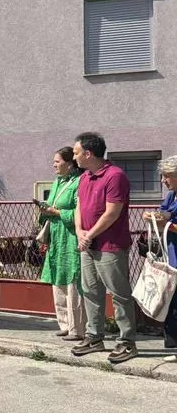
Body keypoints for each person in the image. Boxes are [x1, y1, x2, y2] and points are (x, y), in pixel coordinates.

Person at [70, 132, 138, 364]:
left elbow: (112, 213)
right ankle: (94, 337)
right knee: (91, 292)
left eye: (77, 152)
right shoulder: (84, 178)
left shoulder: (114, 176)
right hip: (88, 244)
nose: (74, 157)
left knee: (119, 294)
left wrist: (89, 235)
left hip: (110, 245)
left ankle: (127, 342)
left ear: (88, 153)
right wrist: (80, 232)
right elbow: (79, 207)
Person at [38, 147, 85, 341]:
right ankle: (64, 324)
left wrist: (57, 213)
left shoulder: (80, 181)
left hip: (71, 235)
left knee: (73, 281)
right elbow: (52, 204)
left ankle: (77, 328)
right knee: (58, 279)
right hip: (56, 236)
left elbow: (80, 211)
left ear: (69, 162)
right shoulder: (58, 181)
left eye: (57, 161)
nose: (54, 164)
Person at [144, 156, 177, 359]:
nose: (163, 181)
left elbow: (168, 223)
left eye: (167, 176)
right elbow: (163, 214)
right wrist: (153, 217)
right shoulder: (172, 196)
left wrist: (167, 224)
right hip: (172, 256)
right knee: (174, 303)